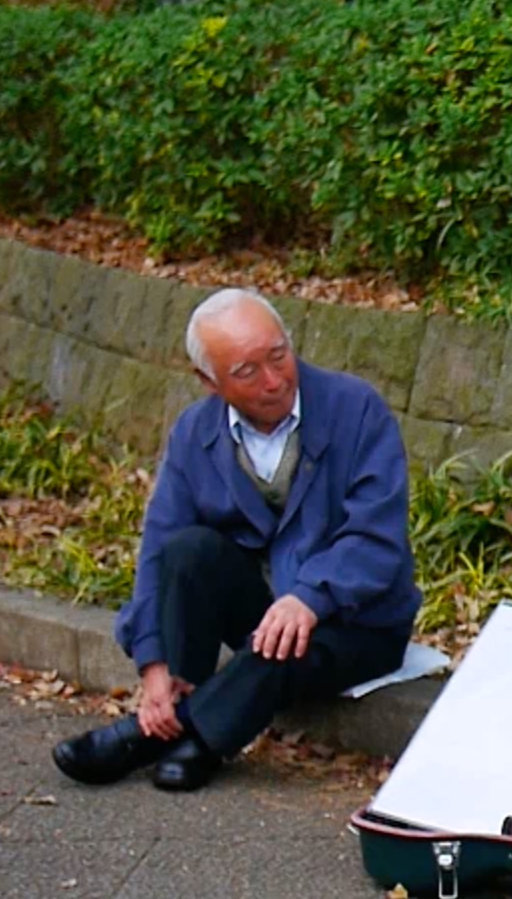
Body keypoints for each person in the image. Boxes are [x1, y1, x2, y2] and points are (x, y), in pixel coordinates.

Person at [52, 289, 421, 793]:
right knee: (189, 549)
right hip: (263, 610)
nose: (274, 381)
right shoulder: (194, 433)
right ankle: (180, 697)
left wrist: (310, 597)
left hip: (355, 621)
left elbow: (376, 537)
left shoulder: (355, 408)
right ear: (209, 381)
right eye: (247, 372)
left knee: (286, 643)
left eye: (278, 356)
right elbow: (159, 549)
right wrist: (155, 662)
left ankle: (174, 737)